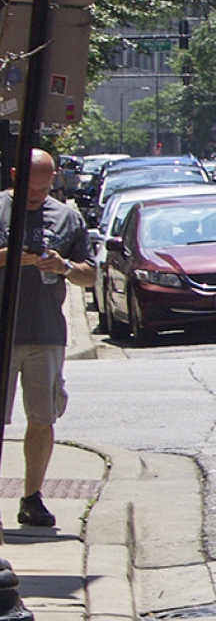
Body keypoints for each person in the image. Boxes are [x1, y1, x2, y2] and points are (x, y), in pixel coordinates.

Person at [6, 151, 96, 530]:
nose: (36, 195)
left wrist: (64, 267)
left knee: (42, 419)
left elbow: (89, 275)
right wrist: (12, 258)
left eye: (44, 188)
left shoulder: (67, 216)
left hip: (45, 333)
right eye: (29, 187)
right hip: (4, 333)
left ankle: (32, 497)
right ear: (14, 175)